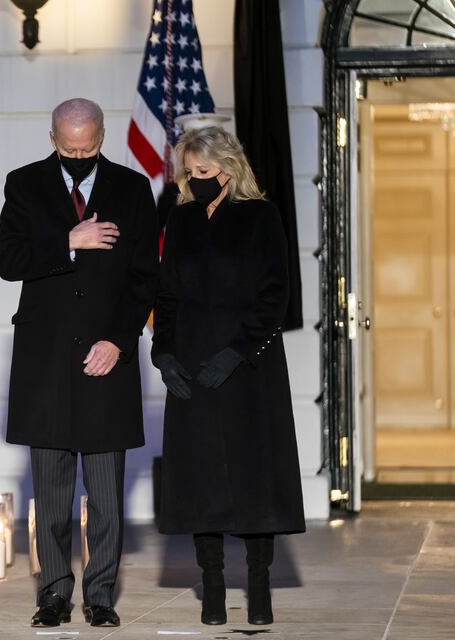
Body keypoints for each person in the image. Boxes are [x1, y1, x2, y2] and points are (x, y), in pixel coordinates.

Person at [0, 98, 158, 628]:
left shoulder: (132, 190)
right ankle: (53, 594)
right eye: (69, 149)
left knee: (107, 495)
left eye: (88, 148)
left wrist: (118, 340)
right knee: (53, 493)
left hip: (107, 359)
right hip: (46, 364)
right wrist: (68, 240)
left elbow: (144, 279)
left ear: (103, 138)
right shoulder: (23, 184)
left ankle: (101, 594)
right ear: (52, 139)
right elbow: (7, 261)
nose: (79, 156)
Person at [151, 126, 305, 626]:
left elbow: (274, 296)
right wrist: (164, 353)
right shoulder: (182, 220)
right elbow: (167, 295)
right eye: (189, 173)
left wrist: (237, 353)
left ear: (230, 168)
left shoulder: (261, 216)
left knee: (252, 480)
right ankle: (212, 585)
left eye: (206, 172)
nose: (197, 181)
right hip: (192, 369)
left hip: (248, 370)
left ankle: (259, 587)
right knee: (201, 482)